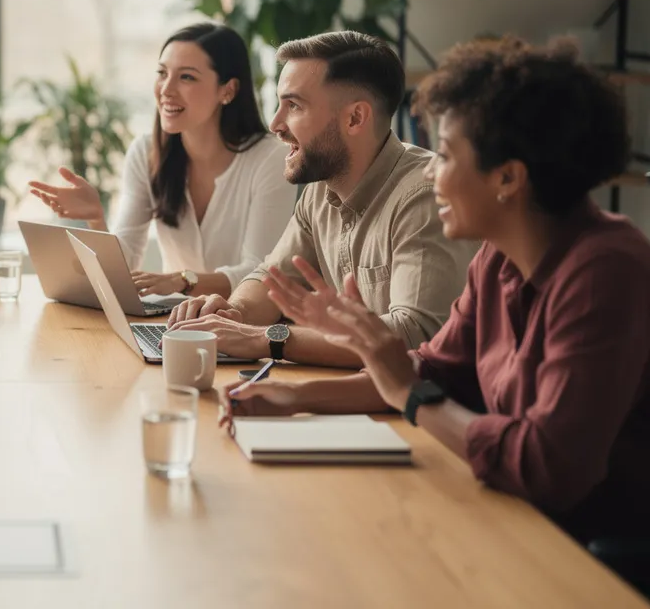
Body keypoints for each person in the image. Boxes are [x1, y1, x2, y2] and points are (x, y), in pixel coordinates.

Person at [222, 37, 650, 546]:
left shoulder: (605, 269)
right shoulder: (496, 258)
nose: (430, 172)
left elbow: (545, 465)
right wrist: (291, 397)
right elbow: (426, 367)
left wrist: (409, 394)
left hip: (592, 553)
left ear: (508, 179)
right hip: (509, 513)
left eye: (445, 155)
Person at [168, 31, 475, 367]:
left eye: (294, 105)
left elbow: (415, 335)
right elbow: (272, 280)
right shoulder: (320, 187)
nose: (275, 124)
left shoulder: (423, 196)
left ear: (355, 118)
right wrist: (231, 313)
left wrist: (267, 339)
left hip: (410, 413)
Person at [28, 23, 294, 299]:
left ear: (227, 90)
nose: (166, 89)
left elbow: (258, 271)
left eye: (187, 77)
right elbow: (126, 263)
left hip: (242, 323)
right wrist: (96, 219)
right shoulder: (146, 153)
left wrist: (182, 281)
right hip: (173, 322)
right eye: (162, 73)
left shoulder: (270, 159)